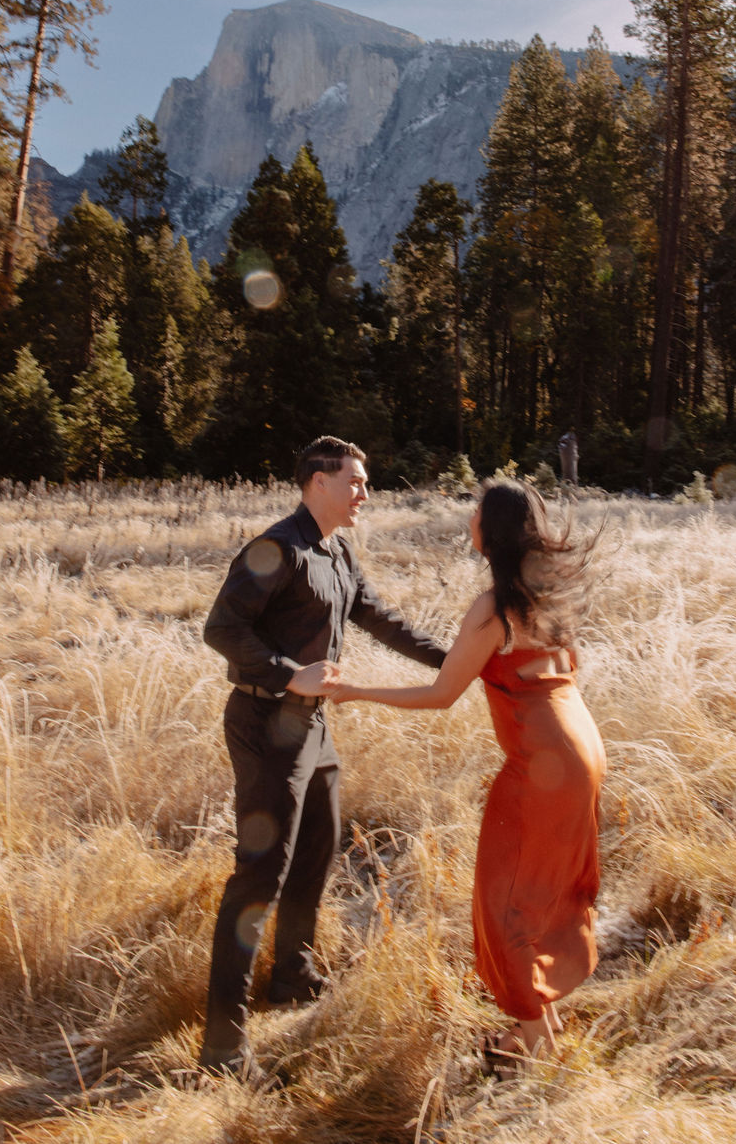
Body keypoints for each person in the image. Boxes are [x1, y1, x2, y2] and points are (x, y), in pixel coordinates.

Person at [330, 480, 605, 1066]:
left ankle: (535, 1054)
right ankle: (536, 1029)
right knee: (538, 896)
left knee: (503, 903)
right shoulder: (546, 596)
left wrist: (354, 690)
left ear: (494, 530)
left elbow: (441, 694)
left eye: (476, 513)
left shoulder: (494, 608)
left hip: (541, 763)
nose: (469, 521)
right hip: (581, 747)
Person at [198, 435, 445, 1077]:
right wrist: (288, 674)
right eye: (355, 481)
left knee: (317, 850)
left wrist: (456, 663)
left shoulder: (337, 550)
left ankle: (293, 978)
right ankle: (223, 1050)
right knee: (260, 877)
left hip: (312, 727)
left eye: (364, 482)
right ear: (318, 483)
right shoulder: (277, 547)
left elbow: (380, 618)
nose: (365, 492)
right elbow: (221, 629)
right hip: (264, 720)